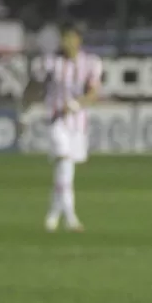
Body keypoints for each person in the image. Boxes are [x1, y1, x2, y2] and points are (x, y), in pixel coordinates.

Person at [22, 22, 103, 233]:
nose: (66, 42)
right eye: (63, 38)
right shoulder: (50, 63)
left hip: (78, 122)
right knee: (64, 161)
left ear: (78, 40)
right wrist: (25, 112)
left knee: (64, 170)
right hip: (56, 119)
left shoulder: (91, 63)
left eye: (69, 38)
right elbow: (34, 87)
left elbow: (93, 93)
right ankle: (71, 217)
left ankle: (52, 215)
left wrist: (75, 105)